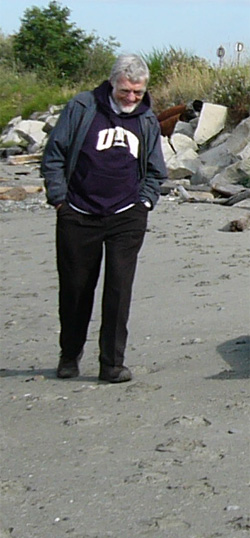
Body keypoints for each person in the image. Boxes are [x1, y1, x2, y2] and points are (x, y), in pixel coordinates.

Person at [41, 54, 167, 383]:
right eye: (125, 91)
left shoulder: (147, 119)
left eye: (137, 93)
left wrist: (145, 203)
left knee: (118, 290)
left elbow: (156, 170)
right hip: (78, 213)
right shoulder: (82, 108)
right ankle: (69, 355)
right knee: (75, 289)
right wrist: (59, 200)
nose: (131, 98)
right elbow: (54, 154)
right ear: (112, 83)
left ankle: (112, 364)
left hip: (127, 215)